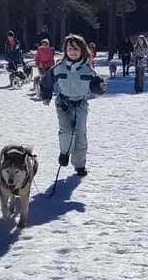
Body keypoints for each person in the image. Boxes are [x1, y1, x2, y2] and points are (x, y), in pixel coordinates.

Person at [41, 34, 107, 176]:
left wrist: (100, 88)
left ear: (82, 50)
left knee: (80, 135)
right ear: (65, 50)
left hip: (80, 105)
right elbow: (46, 82)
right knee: (67, 132)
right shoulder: (59, 67)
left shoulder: (87, 69)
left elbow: (95, 84)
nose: (73, 51)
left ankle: (79, 165)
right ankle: (64, 153)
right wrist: (46, 96)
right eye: (70, 48)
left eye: (76, 49)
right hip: (63, 104)